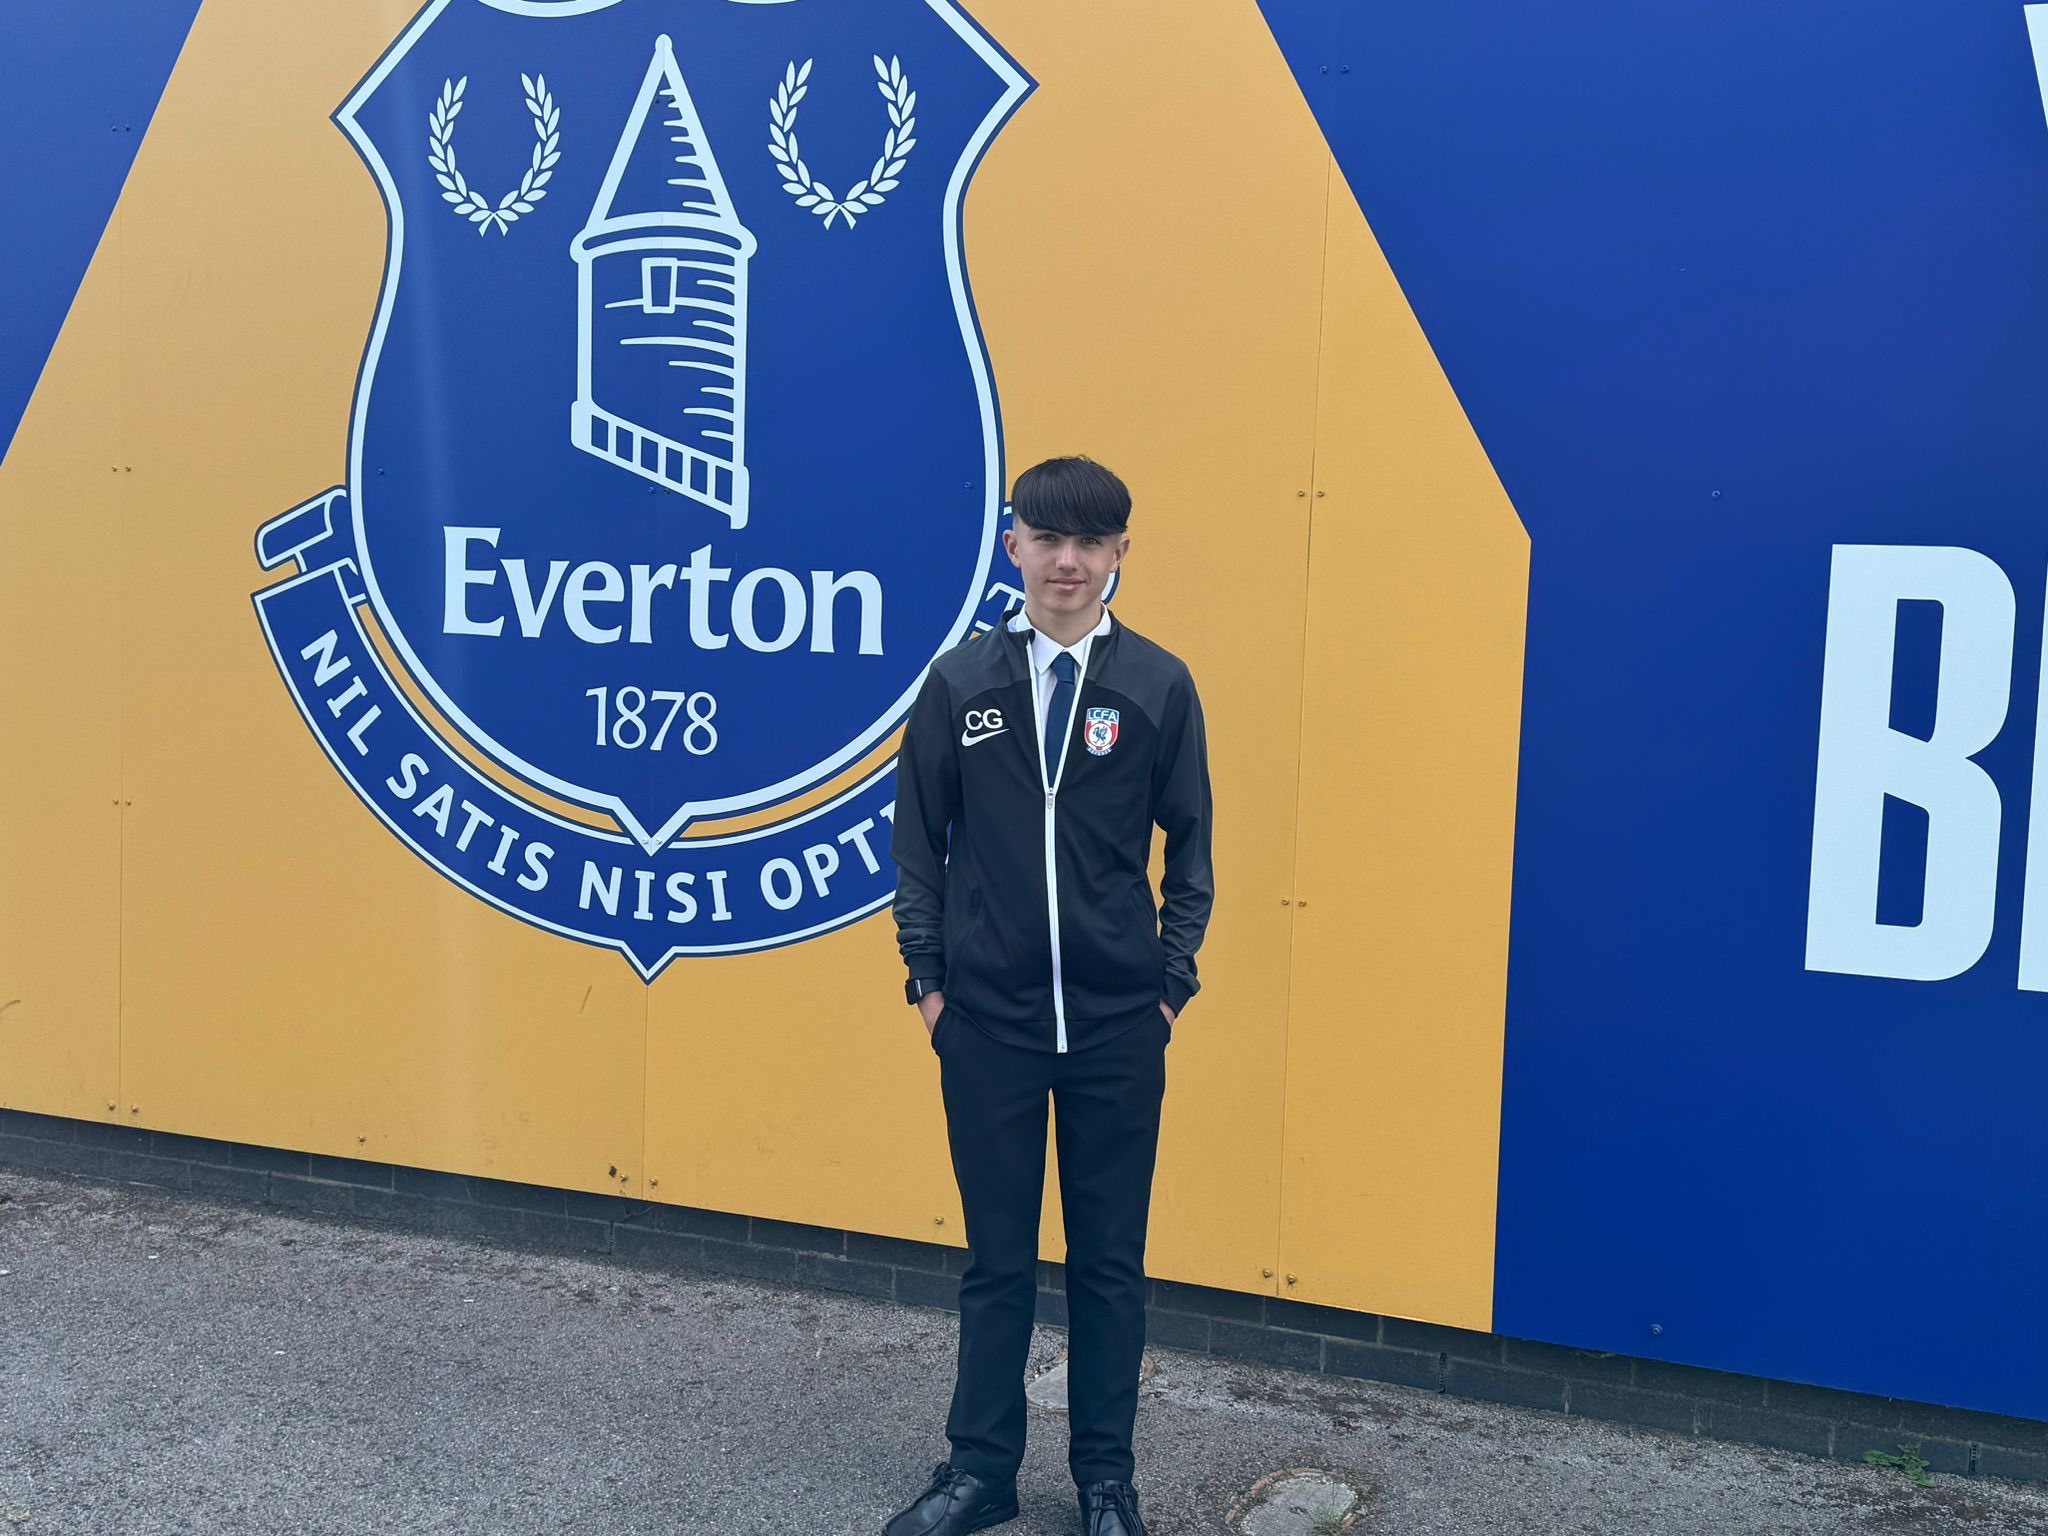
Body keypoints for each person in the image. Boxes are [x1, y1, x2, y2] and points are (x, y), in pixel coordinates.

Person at [884, 456, 1215, 1536]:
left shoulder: (1158, 686)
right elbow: (917, 847)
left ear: (1120, 553)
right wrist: (931, 987)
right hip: (989, 1030)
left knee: (1109, 1268)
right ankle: (979, 1472)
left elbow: (1193, 850)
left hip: (1119, 1030)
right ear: (1013, 547)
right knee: (996, 1263)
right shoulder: (960, 685)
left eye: (1091, 541)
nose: (1067, 561)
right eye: (1047, 538)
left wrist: (1167, 986)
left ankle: (1104, 1483)